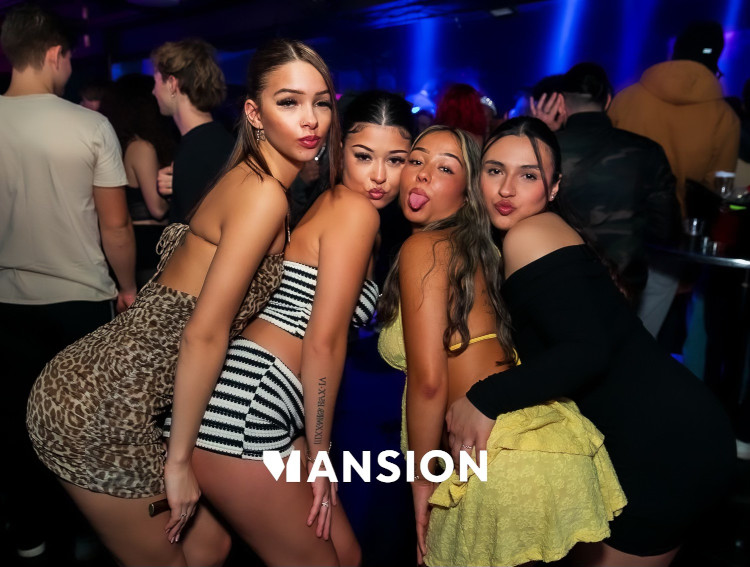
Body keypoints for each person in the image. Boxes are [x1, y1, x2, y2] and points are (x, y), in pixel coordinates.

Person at [26, 37, 338, 566]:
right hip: (98, 408)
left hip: (121, 390)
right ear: (254, 113)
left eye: (322, 102)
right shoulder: (262, 194)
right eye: (289, 102)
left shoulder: (249, 178)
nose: (310, 119)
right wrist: (178, 463)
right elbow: (204, 332)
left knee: (211, 547)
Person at [446, 116, 736, 566]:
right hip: (679, 433)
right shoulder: (545, 232)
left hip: (665, 444)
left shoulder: (529, 234)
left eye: (528, 175)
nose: (506, 189)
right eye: (495, 170)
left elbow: (586, 351)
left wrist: (483, 399)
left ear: (554, 188)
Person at [162, 89, 413, 566]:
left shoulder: (336, 205)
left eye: (396, 160)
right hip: (246, 409)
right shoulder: (355, 212)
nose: (379, 176)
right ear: (339, 149)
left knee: (346, 554)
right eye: (364, 156)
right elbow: (323, 343)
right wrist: (321, 456)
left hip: (259, 403)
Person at [376, 125, 626, 566]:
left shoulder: (426, 248)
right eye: (416, 160)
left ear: (469, 191)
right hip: (541, 441)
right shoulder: (483, 252)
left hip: (498, 455)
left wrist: (421, 481)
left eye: (445, 168)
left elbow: (430, 382)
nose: (423, 173)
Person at [0, 4, 136, 559]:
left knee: (16, 422)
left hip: (7, 301)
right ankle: (91, 532)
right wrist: (127, 287)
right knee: (82, 427)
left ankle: (30, 535)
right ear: (56, 54)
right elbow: (115, 226)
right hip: (81, 299)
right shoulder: (90, 126)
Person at [607, 20, 740, 337]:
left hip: (612, 226)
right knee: (644, 333)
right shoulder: (724, 118)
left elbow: (605, 158)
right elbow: (716, 190)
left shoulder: (627, 98)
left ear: (676, 50)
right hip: (669, 235)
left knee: (601, 318)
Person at [553, 62, 680, 304]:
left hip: (556, 280)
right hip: (622, 284)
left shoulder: (544, 149)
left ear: (560, 102)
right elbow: (666, 230)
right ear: (608, 101)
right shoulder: (647, 151)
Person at [99, 73, 177, 288]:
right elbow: (157, 209)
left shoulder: (122, 145)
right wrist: (180, 188)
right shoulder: (141, 147)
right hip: (149, 244)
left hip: (140, 244)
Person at [151, 37, 235, 224]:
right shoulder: (218, 140)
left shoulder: (197, 151)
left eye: (155, 81)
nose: (153, 92)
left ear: (172, 84)